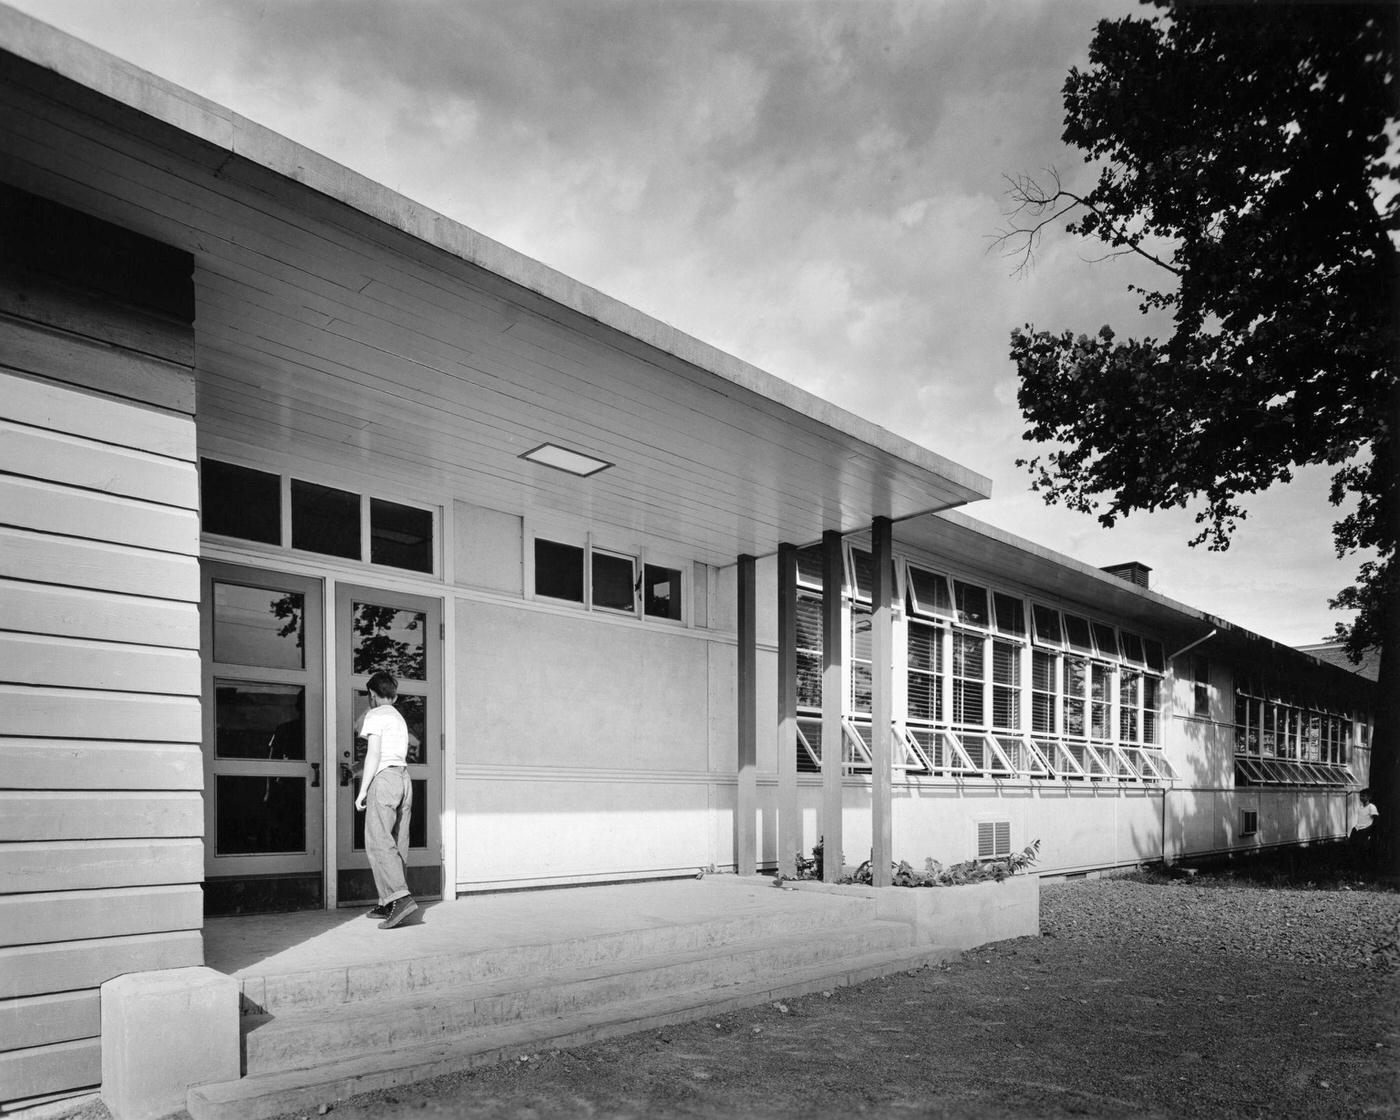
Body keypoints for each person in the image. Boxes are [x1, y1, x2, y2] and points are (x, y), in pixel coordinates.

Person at [354, 671, 417, 929]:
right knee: (398, 841)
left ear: (372, 694)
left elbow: (374, 755)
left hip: (386, 779)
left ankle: (399, 898)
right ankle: (390, 901)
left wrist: (362, 790)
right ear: (395, 694)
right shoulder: (398, 717)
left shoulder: (375, 714)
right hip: (404, 779)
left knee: (378, 841)